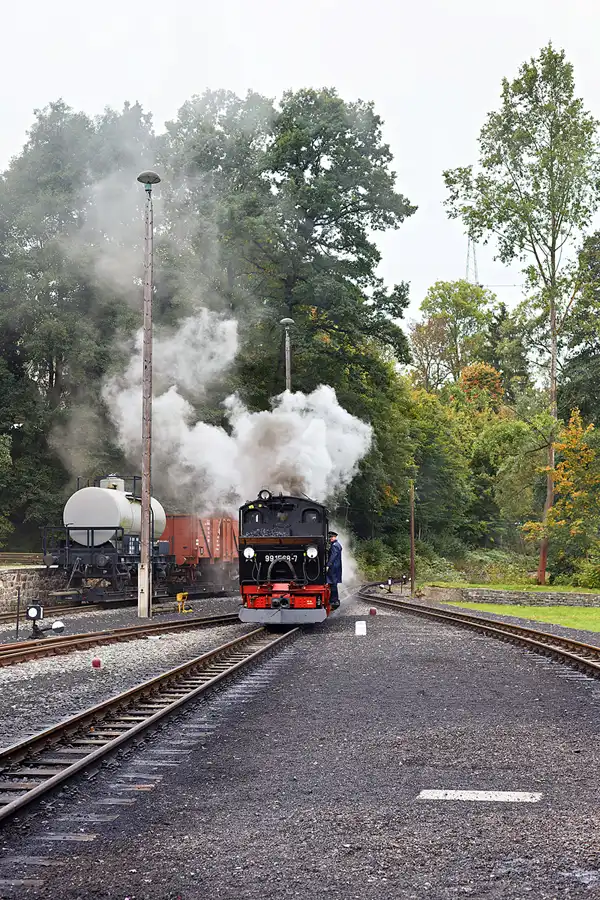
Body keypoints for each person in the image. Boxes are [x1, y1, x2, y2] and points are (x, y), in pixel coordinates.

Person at [327, 530, 343, 609]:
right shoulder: (337, 544)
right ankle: (333, 599)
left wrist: (328, 564)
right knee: (333, 583)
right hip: (336, 566)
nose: (330, 539)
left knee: (333, 583)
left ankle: (334, 600)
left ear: (334, 537)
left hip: (333, 567)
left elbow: (333, 556)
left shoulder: (334, 545)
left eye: (331, 537)